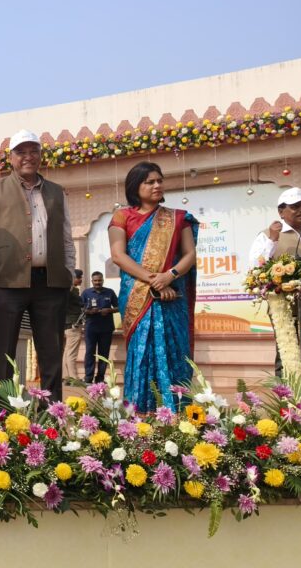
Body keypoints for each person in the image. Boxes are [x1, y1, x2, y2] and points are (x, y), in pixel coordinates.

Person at [0, 130, 75, 402]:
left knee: (51, 351)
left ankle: (52, 411)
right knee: (4, 351)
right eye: (21, 152)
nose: (28, 157)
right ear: (11, 157)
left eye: (33, 151)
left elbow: (66, 238)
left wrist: (68, 273)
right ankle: (4, 411)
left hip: (51, 283)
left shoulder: (57, 192)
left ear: (40, 155)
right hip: (6, 284)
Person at [109, 161, 197, 413]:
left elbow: (190, 254)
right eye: (150, 182)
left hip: (171, 295)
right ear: (135, 187)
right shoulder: (122, 217)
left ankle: (177, 412)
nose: (157, 185)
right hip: (138, 295)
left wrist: (169, 276)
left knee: (174, 350)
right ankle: (138, 413)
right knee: (141, 353)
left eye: (159, 180)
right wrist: (153, 280)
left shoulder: (178, 218)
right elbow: (118, 256)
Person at [248, 187, 301, 375]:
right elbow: (255, 268)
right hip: (285, 305)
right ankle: (288, 392)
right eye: (295, 206)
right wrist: (273, 240)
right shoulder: (268, 235)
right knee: (289, 354)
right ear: (281, 212)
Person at [80, 271, 119, 383]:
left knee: (104, 353)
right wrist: (89, 311)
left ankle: (100, 378)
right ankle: (88, 378)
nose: (97, 282)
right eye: (95, 280)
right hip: (90, 328)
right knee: (90, 353)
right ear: (92, 281)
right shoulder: (86, 293)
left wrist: (109, 310)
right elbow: (80, 309)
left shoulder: (110, 292)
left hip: (106, 328)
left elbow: (119, 307)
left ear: (103, 280)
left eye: (99, 280)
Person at [61, 269, 84, 381]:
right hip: (73, 324)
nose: (80, 280)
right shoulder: (70, 290)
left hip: (67, 324)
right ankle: (73, 378)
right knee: (71, 353)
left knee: (67, 352)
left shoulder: (65, 290)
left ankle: (66, 376)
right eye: (79, 277)